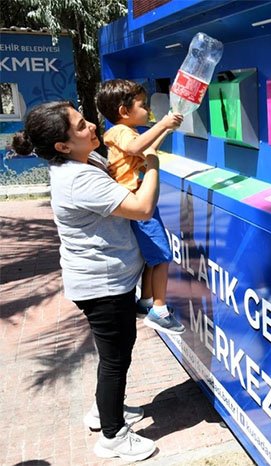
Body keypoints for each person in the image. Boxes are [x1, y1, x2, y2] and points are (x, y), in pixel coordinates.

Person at [11, 101, 168, 461]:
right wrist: (153, 164)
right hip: (103, 287)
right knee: (116, 359)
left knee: (113, 357)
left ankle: (104, 410)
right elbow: (142, 207)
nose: (92, 127)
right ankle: (113, 436)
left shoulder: (81, 161)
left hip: (101, 281)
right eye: (81, 126)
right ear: (62, 145)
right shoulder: (79, 178)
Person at [96, 79, 185, 335]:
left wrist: (166, 130)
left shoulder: (126, 131)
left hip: (138, 201)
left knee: (153, 258)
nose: (148, 109)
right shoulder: (122, 132)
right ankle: (159, 310)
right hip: (138, 202)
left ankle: (145, 301)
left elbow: (147, 147)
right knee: (163, 257)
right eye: (143, 105)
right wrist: (163, 124)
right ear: (124, 111)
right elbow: (137, 147)